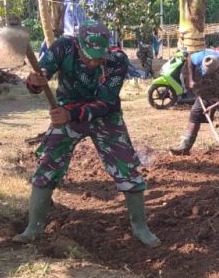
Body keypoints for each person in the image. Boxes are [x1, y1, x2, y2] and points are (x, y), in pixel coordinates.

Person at [13, 20, 160, 248]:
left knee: (126, 167)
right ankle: (34, 228)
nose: (93, 62)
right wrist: (34, 81)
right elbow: (38, 80)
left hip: (103, 116)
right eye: (88, 56)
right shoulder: (62, 48)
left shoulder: (117, 60)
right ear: (78, 45)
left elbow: (106, 103)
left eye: (98, 57)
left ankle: (140, 227)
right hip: (66, 111)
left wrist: (71, 115)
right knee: (48, 163)